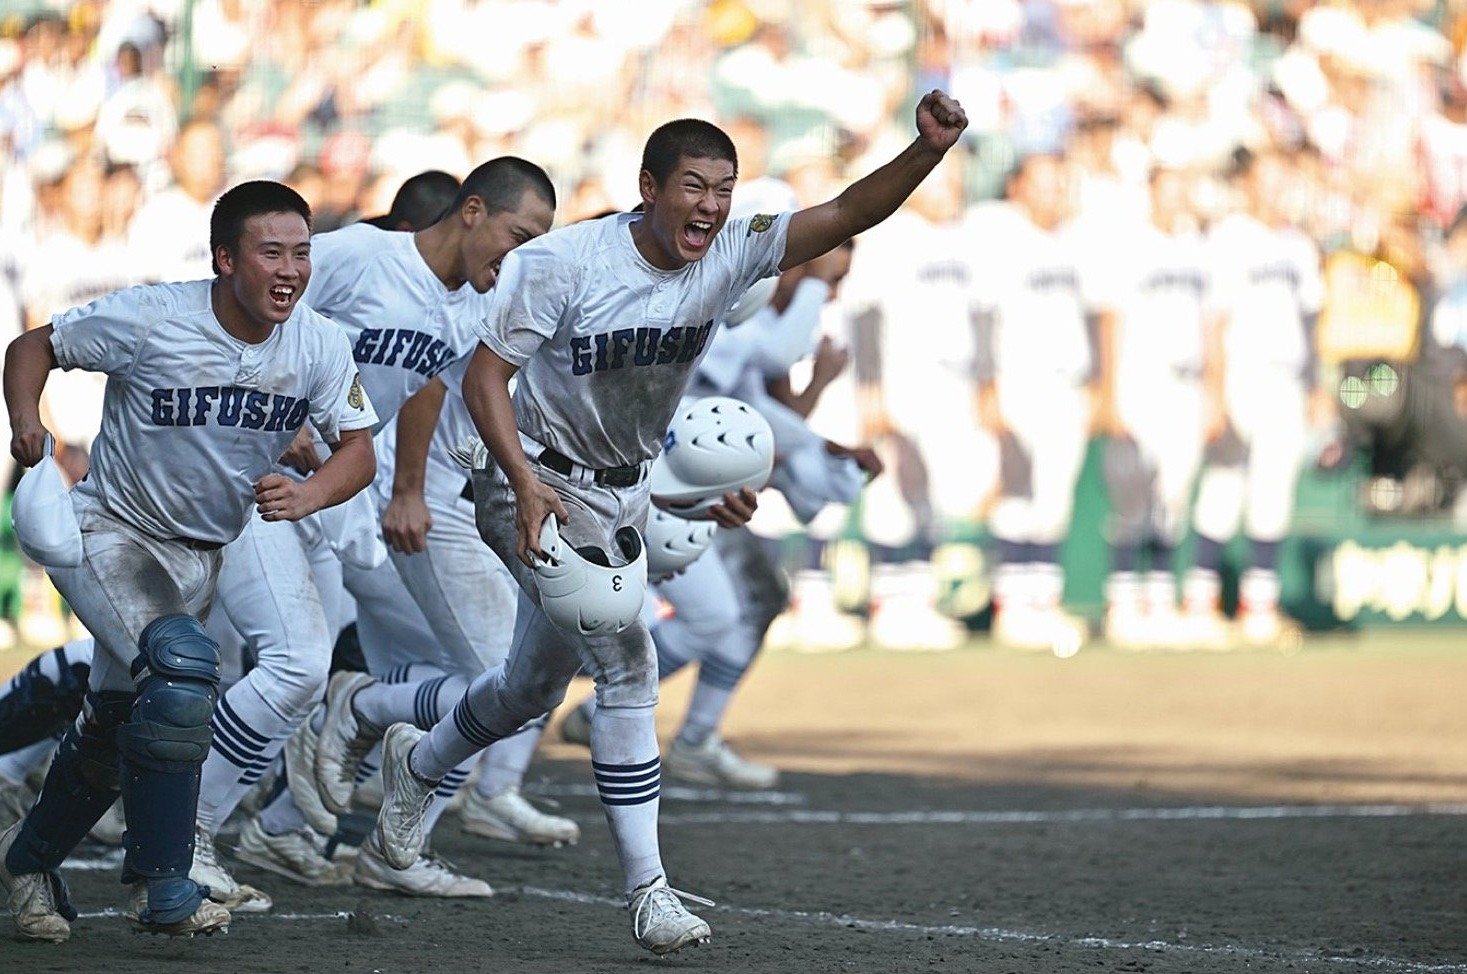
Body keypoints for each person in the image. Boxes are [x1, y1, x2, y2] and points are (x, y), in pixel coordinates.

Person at [369, 90, 968, 955]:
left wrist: (927, 153)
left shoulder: (727, 255)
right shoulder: (566, 263)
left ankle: (416, 763)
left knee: (531, 689)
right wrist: (523, 486)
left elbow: (843, 213)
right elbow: (483, 380)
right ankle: (648, 892)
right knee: (627, 658)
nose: (712, 205)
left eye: (724, 188)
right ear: (647, 187)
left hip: (620, 490)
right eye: (694, 185)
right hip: (529, 483)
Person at [0, 180, 378, 942]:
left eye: (301, 253)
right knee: (180, 674)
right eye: (270, 252)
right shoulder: (151, 318)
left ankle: (28, 863)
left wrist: (309, 497)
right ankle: (165, 881)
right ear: (224, 258)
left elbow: (358, 452)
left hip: (202, 553)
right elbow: (32, 345)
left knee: (112, 725)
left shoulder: (318, 343)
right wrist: (27, 420)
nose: (290, 270)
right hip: (112, 531)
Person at [190, 157, 555, 908]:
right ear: (473, 210)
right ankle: (161, 827)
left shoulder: (470, 306)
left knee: (343, 673)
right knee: (261, 667)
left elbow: (425, 386)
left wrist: (409, 489)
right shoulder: (361, 255)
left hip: (343, 496)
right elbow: (257, 310)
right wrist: (275, 412)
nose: (517, 258)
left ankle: (282, 821)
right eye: (517, 235)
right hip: (260, 483)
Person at [1184, 149, 1324, 648]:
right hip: (1242, 375)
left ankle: (1258, 607)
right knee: (1224, 488)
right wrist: (1215, 394)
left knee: (1273, 493)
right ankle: (1199, 604)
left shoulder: (1299, 246)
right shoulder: (1231, 237)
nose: (1275, 189)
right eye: (1266, 178)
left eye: (1282, 179)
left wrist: (1316, 386)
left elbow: (1311, 323)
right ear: (1247, 184)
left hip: (1286, 380)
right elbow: (1214, 322)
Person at [975, 153, 1096, 654]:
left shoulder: (1073, 239)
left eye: (1059, 183)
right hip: (1019, 379)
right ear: (1018, 186)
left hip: (1067, 384)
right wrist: (987, 388)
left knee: (1053, 498)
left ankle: (1041, 602)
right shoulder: (1002, 235)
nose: (1053, 192)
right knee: (1019, 495)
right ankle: (1012, 605)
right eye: (1042, 183)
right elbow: (983, 315)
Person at [1095, 168, 1218, 649]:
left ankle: (1162, 602)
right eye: (1168, 189)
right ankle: (1124, 604)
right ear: (1150, 193)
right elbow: (1110, 321)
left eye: (1182, 188)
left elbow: (1211, 325)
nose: (1176, 198)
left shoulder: (1197, 247)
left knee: (1173, 499)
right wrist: (1109, 393)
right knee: (1132, 499)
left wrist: (1213, 392)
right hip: (1140, 379)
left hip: (1187, 384)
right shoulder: (1131, 244)